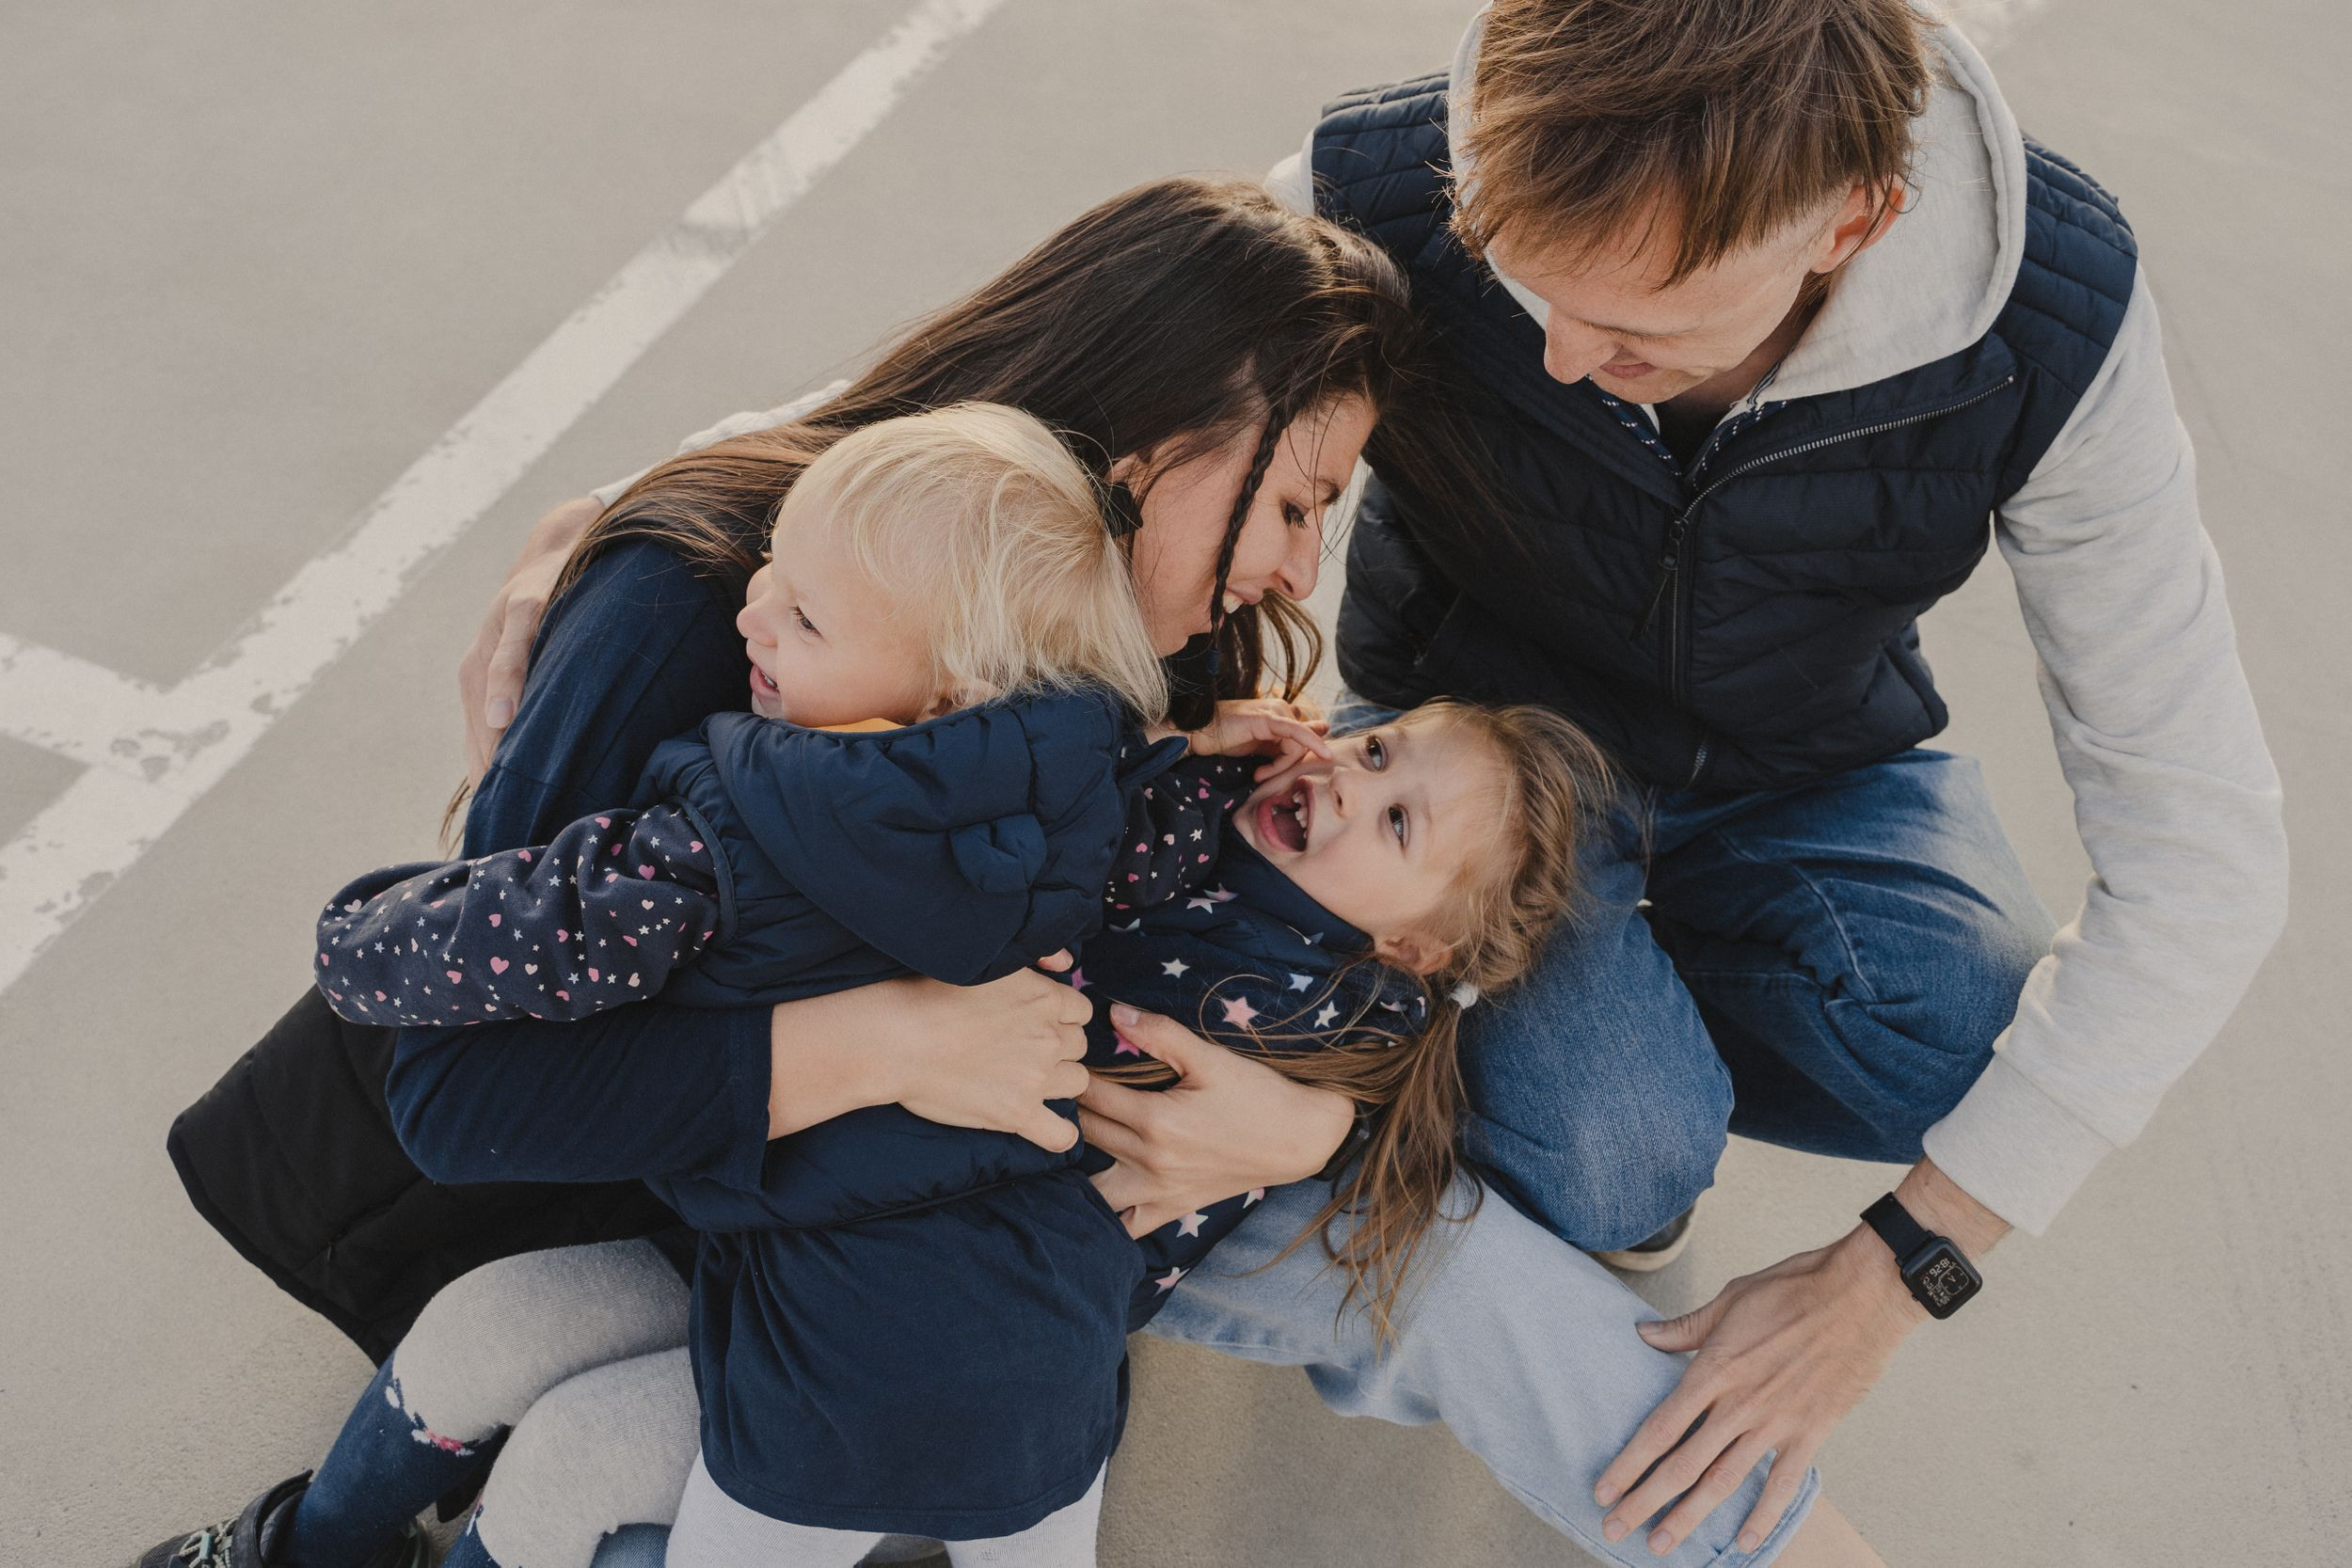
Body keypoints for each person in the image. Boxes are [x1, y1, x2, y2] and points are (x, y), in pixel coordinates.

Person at [164, 173, 1887, 1568]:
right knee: (605, 1483)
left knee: (1443, 1248)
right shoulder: (711, 618)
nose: (1299, 576)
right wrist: (885, 1046)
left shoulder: (1153, 669)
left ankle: (1768, 1533)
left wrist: (1316, 1127)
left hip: (989, 1224)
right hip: (687, 1193)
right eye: (1297, 501)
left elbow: (1282, 968)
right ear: (1145, 459)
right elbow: (455, 1098)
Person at [1235, 0, 2286, 1552]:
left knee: (1971, 1038)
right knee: (1612, 1152)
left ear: (1853, 224)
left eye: (1641, 331)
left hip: (1806, 760)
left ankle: (1546, 1049)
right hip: (1481, 761)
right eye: (1526, 282)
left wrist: (1900, 1267)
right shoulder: (1378, 188)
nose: (1558, 359)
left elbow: (2211, 852)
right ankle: (1547, 1082)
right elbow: (1106, 446)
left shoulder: (2048, 320)